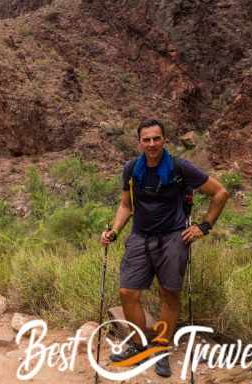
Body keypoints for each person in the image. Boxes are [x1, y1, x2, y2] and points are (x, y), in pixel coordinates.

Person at [100, 119, 229, 377]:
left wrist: (204, 226)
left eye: (156, 138)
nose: (151, 144)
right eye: (146, 139)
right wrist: (114, 231)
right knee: (127, 291)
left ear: (164, 140)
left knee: (169, 294)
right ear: (139, 142)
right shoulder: (131, 170)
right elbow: (126, 205)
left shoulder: (180, 167)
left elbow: (220, 192)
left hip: (173, 236)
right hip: (140, 235)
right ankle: (138, 346)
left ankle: (160, 349)